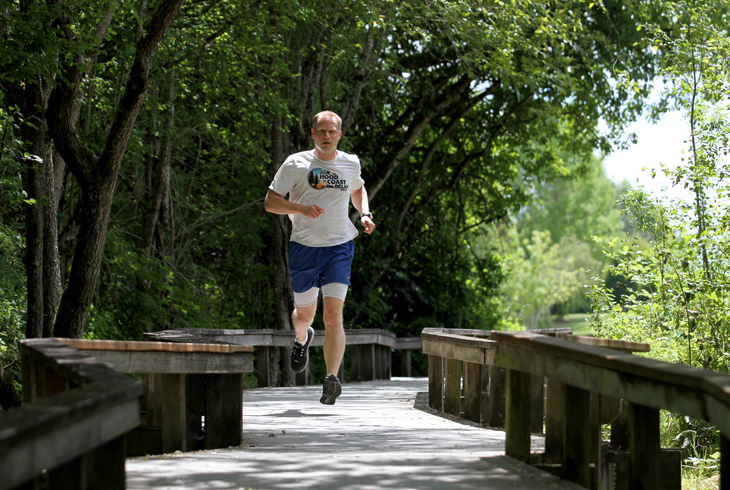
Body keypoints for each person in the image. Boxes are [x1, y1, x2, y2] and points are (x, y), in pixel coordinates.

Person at [264, 110, 375, 405]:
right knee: (304, 317)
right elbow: (270, 202)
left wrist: (364, 213)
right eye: (321, 132)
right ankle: (302, 339)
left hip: (339, 247)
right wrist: (300, 209)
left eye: (332, 132)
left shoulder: (350, 162)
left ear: (340, 134)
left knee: (333, 315)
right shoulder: (296, 163)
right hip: (304, 246)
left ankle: (331, 379)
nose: (327, 136)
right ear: (313, 134)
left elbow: (358, 187)